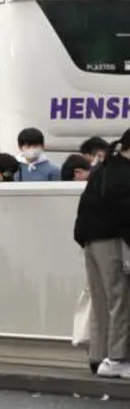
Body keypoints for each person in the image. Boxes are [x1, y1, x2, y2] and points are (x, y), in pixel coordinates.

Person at [73, 128, 130, 378]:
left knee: (101, 300)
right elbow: (124, 212)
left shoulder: (106, 167)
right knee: (121, 298)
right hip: (112, 239)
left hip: (91, 240)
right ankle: (118, 358)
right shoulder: (123, 172)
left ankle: (98, 357)